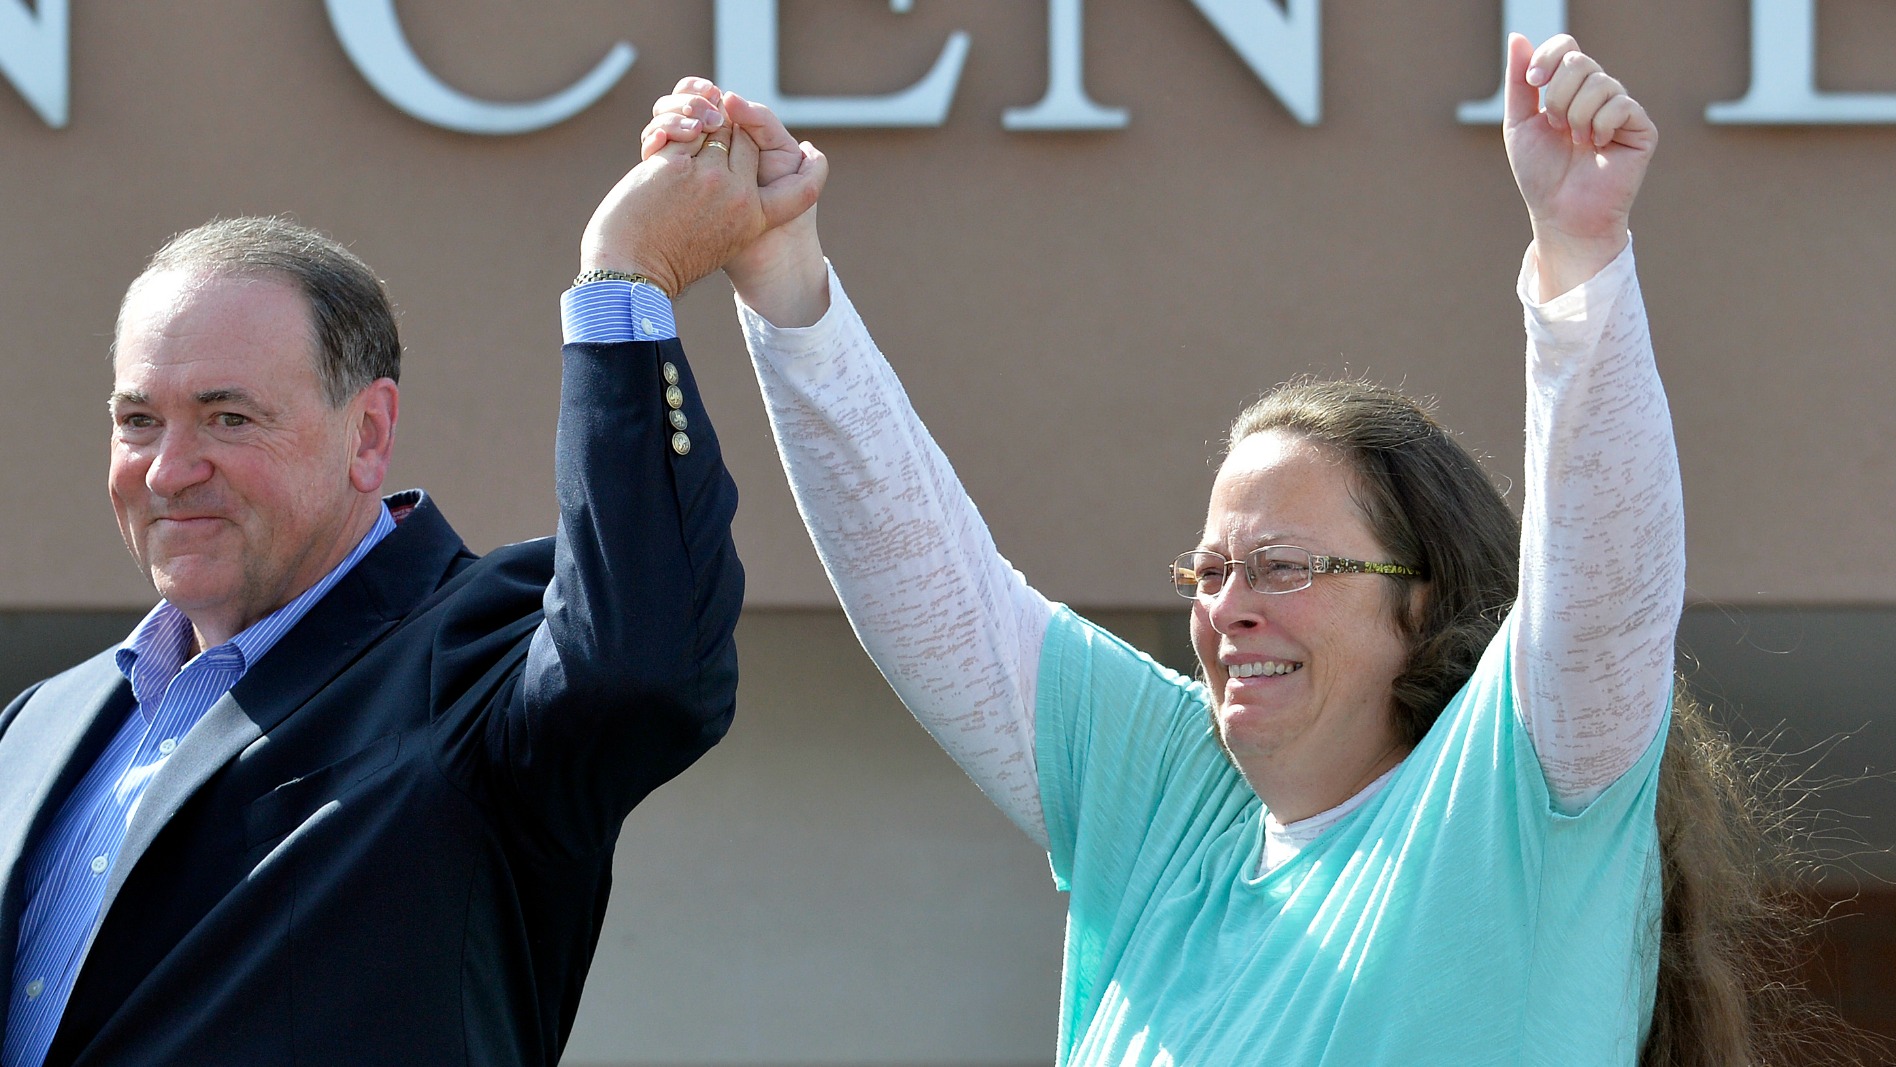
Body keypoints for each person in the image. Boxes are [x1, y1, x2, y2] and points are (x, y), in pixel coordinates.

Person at [646, 34, 1836, 1065]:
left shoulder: (1521, 798)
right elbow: (939, 596)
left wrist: (1579, 261)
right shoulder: (1172, 800)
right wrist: (782, 274)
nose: (1228, 607)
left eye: (1285, 565)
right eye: (1211, 571)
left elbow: (1605, 590)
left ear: (1422, 604)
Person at [0, 123, 823, 1065]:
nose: (168, 470)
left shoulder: (474, 655)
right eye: (139, 420)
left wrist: (624, 279)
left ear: (369, 434)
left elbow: (645, 666)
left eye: (229, 417)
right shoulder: (35, 728)